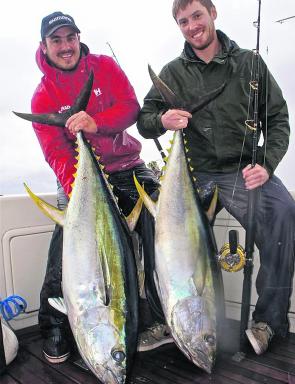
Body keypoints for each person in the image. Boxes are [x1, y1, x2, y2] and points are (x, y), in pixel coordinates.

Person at [137, 0, 295, 356]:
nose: (192, 26)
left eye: (197, 16)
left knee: (284, 212)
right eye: (183, 21)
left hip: (241, 171)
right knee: (154, 222)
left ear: (212, 13)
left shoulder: (249, 64)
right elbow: (144, 120)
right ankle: (167, 317)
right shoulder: (172, 72)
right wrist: (162, 121)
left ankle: (269, 321)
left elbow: (278, 120)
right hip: (194, 174)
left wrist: (266, 164)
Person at [32, 11, 172, 364]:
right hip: (79, 177)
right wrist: (84, 196)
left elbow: (130, 109)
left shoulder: (104, 67)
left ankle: (160, 314)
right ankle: (54, 326)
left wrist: (96, 123)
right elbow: (56, 153)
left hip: (128, 167)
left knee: (163, 220)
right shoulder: (42, 97)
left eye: (70, 38)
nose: (66, 47)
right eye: (56, 40)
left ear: (78, 37)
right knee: (64, 247)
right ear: (44, 46)